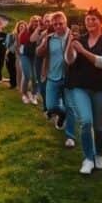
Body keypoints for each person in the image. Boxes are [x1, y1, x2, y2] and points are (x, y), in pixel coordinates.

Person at [65, 8, 102, 175]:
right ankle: (88, 158)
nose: (90, 22)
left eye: (93, 19)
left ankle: (99, 154)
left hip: (101, 89)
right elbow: (70, 60)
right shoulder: (80, 39)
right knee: (86, 122)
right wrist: (69, 44)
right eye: (87, 20)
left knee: (99, 126)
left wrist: (83, 51)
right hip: (80, 87)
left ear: (101, 22)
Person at [36, 11, 76, 147]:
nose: (58, 26)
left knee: (70, 107)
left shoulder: (73, 37)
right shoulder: (49, 38)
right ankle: (62, 114)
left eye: (61, 24)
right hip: (52, 76)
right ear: (52, 25)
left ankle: (70, 137)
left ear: (65, 23)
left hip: (69, 78)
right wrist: (43, 44)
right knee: (51, 106)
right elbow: (38, 53)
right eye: (55, 24)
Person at [31, 14, 52, 110]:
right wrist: (39, 28)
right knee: (42, 85)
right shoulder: (42, 32)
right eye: (46, 21)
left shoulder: (58, 32)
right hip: (39, 60)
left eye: (50, 21)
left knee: (51, 85)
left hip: (51, 61)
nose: (48, 23)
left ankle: (52, 106)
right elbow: (32, 39)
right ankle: (45, 105)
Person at [16, 20, 37, 104]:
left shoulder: (40, 31)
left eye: (37, 22)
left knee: (35, 78)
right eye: (34, 22)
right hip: (24, 55)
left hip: (34, 56)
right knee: (27, 75)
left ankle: (34, 94)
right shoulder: (25, 32)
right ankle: (24, 94)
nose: (36, 24)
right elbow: (19, 45)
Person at [5, 24, 19, 89]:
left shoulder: (22, 35)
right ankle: (12, 83)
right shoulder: (11, 35)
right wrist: (6, 53)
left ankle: (14, 84)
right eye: (19, 27)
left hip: (17, 54)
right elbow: (7, 45)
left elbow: (15, 45)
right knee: (10, 69)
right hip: (10, 53)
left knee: (14, 70)